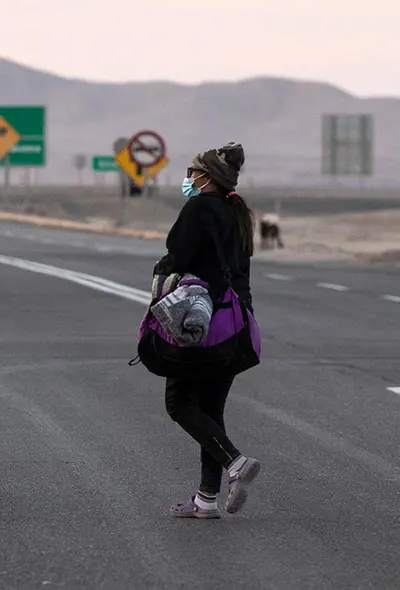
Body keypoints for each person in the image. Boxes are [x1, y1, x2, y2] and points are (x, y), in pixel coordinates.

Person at [153, 142, 262, 518]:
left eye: (193, 172)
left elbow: (179, 256)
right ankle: (205, 501)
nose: (189, 178)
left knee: (179, 403)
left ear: (207, 176)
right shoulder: (238, 212)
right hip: (235, 323)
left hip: (201, 321)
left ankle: (236, 463)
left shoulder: (200, 207)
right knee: (211, 410)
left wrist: (163, 267)